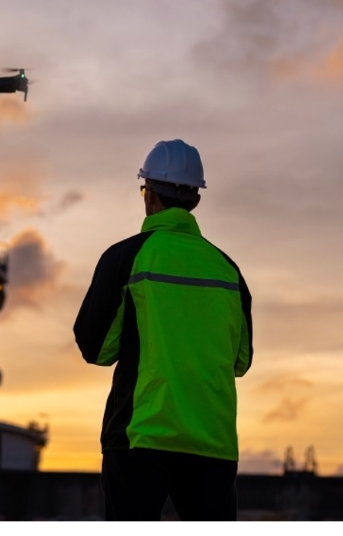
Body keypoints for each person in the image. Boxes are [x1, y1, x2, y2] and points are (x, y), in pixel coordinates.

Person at [74, 139, 253, 521]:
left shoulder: (126, 258)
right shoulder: (228, 270)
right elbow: (241, 361)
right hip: (212, 444)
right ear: (196, 200)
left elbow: (96, 349)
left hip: (141, 438)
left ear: (149, 194)